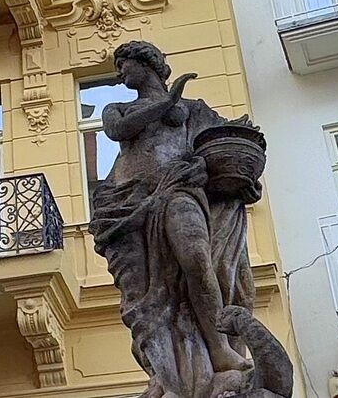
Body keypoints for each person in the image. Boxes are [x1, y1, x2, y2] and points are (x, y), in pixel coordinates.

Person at [89, 40, 258, 398]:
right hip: (129, 203)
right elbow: (118, 130)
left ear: (146, 64)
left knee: (197, 259)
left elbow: (220, 146)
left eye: (123, 65)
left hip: (179, 189)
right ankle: (164, 373)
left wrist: (233, 164)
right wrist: (167, 102)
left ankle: (219, 347)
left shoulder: (194, 110)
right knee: (144, 296)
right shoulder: (117, 108)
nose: (119, 74)